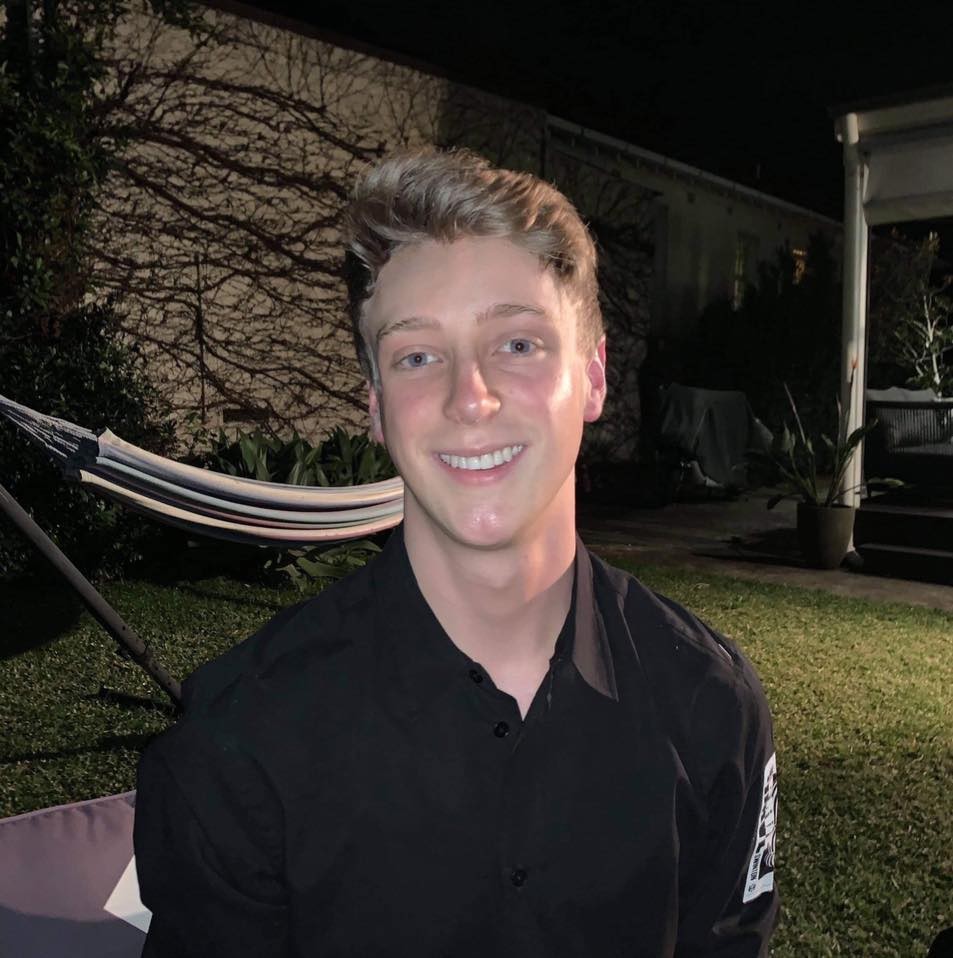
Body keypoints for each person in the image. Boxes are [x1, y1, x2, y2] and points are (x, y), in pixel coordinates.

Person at [134, 148, 779, 956]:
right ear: (374, 407)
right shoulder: (239, 746)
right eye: (416, 355)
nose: (467, 398)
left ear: (593, 375)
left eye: (516, 344)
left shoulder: (710, 708)